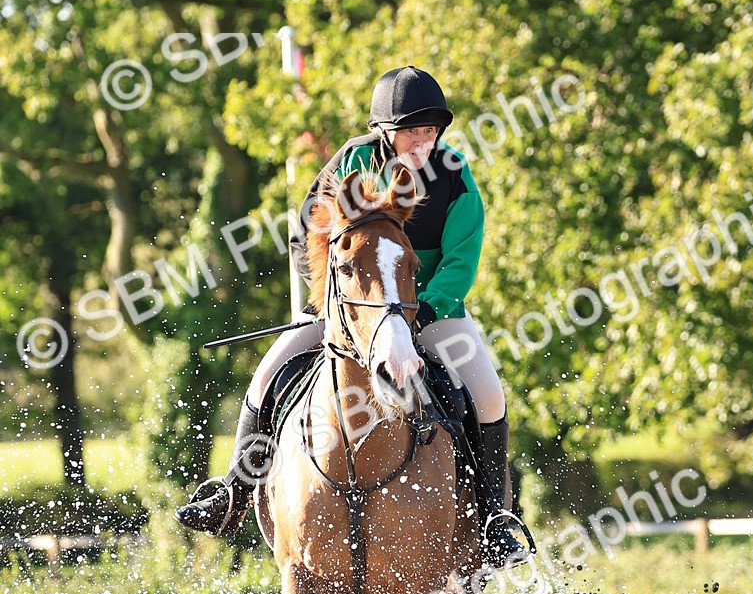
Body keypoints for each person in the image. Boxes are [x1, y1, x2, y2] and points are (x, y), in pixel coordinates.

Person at [176, 65, 531, 567]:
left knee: (488, 392)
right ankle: (233, 491)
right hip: (346, 305)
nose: (423, 140)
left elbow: (462, 256)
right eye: (413, 129)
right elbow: (308, 236)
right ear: (386, 130)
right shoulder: (351, 164)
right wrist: (331, 301)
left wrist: (424, 307)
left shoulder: (454, 173)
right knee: (268, 375)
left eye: (430, 130)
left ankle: (498, 520)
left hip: (428, 308)